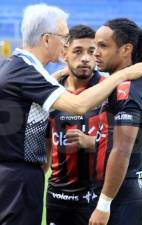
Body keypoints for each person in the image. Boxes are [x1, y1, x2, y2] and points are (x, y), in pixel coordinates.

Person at [0, 4, 142, 225]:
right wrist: (123, 73)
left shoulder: (11, 66)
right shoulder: (25, 72)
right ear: (47, 39)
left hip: (5, 177)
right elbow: (77, 105)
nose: (66, 43)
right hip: (18, 180)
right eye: (65, 38)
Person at [89, 18, 142, 225]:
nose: (95, 53)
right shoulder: (117, 84)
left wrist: (103, 205)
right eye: (95, 46)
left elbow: (122, 150)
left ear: (126, 49)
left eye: (103, 46)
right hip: (116, 191)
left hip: (120, 196)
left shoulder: (126, 89)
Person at [44, 24, 108, 225]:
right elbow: (45, 144)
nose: (86, 58)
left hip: (93, 197)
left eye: (91, 51)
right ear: (64, 53)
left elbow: (127, 148)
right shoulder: (50, 91)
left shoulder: (108, 90)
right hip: (57, 196)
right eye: (78, 51)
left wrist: (92, 142)